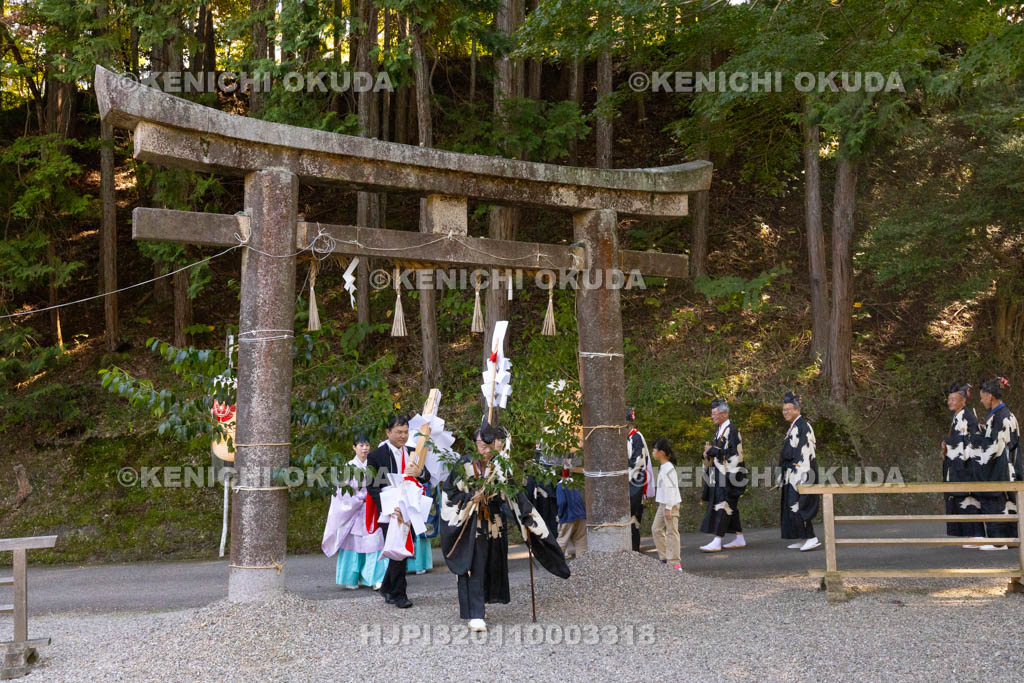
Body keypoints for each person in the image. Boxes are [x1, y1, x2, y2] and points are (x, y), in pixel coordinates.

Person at [440, 422, 569, 632]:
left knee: (492, 563)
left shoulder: (500, 465)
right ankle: (475, 613)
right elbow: (449, 493)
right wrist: (471, 497)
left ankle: (480, 604)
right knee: (474, 564)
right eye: (480, 442)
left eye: (488, 442)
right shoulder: (464, 464)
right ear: (475, 443)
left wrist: (526, 516)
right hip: (472, 522)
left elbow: (513, 493)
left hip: (494, 520)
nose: (484, 447)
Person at [367, 415, 430, 609]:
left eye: (405, 432)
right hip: (389, 510)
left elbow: (426, 475)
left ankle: (388, 587)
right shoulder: (376, 455)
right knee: (398, 550)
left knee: (404, 549)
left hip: (409, 508)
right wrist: (388, 506)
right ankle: (400, 594)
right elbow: (372, 486)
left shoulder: (413, 452)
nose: (403, 436)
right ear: (388, 432)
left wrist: (419, 473)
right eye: (398, 432)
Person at [321, 434, 388, 590]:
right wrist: (360, 498)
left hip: (372, 509)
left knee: (374, 542)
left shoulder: (374, 465)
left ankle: (375, 579)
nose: (364, 448)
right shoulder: (348, 467)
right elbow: (341, 493)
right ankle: (351, 579)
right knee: (354, 544)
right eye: (361, 445)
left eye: (367, 445)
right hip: (356, 511)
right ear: (354, 447)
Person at [970, 377, 1021, 551]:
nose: (981, 400)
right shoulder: (1005, 415)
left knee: (994, 500)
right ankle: (1012, 540)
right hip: (1007, 466)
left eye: (982, 396)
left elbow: (994, 447)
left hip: (998, 468)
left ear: (990, 396)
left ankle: (998, 541)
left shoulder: (1000, 417)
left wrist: (975, 439)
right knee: (1008, 503)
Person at [699, 399, 748, 552]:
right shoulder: (721, 429)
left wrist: (712, 451)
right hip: (721, 474)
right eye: (712, 413)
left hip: (731, 476)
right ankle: (739, 538)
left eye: (715, 413)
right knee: (730, 507)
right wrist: (708, 452)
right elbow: (719, 452)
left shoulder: (732, 430)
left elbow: (734, 456)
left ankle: (717, 540)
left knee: (724, 504)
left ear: (724, 413)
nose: (712, 416)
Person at [941, 382, 985, 547]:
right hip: (959, 465)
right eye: (949, 399)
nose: (950, 402)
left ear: (963, 400)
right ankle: (970, 534)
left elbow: (971, 442)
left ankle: (977, 535)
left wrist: (948, 443)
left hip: (967, 465)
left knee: (969, 499)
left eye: (953, 399)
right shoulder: (959, 416)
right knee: (960, 499)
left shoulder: (967, 417)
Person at [777, 392, 821, 552]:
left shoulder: (803, 426)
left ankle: (811, 537)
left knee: (799, 505)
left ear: (797, 409)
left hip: (801, 474)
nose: (785, 412)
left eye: (788, 409)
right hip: (792, 474)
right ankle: (803, 538)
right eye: (784, 410)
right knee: (790, 506)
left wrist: (798, 477)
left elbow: (805, 453)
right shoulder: (794, 427)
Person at [650, 439, 681, 570]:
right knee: (656, 529)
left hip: (670, 504)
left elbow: (671, 489)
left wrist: (668, 508)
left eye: (654, 450)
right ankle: (664, 559)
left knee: (671, 532)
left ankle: (675, 563)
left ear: (661, 452)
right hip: (663, 504)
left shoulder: (669, 468)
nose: (652, 453)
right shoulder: (663, 467)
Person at [626, 408, 653, 553]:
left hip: (635, 483)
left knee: (633, 519)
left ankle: (634, 551)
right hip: (630, 482)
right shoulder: (629, 438)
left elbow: (637, 464)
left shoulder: (636, 437)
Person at [555, 466, 587, 559]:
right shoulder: (576, 484)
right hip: (581, 516)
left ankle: (558, 565)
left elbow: (562, 502)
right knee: (581, 542)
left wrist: (560, 515)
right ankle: (583, 566)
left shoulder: (561, 485)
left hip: (567, 516)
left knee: (562, 541)